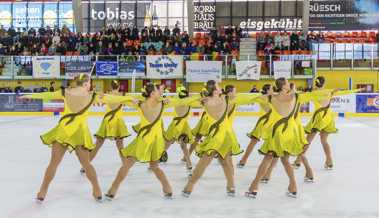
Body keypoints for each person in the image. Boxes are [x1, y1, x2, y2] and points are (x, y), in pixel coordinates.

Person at [103, 83, 200, 199]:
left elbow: (119, 100)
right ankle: (167, 189)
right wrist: (199, 97)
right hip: (156, 141)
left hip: (144, 140)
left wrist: (126, 98)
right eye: (158, 91)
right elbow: (183, 101)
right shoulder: (162, 104)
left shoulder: (143, 104)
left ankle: (112, 190)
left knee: (127, 165)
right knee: (154, 167)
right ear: (153, 93)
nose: (161, 93)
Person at [20, 73, 102, 202]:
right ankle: (97, 190)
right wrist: (130, 100)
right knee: (86, 164)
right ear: (86, 84)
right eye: (89, 83)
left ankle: (42, 191)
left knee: (53, 163)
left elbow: (46, 95)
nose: (90, 85)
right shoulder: (92, 96)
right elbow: (112, 99)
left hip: (64, 132)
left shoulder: (65, 92)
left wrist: (29, 95)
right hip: (80, 134)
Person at [245, 77, 331, 199]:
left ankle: (254, 187)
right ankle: (293, 187)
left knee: (268, 158)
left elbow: (252, 98)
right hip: (291, 133)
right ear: (284, 86)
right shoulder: (295, 96)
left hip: (278, 133)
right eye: (287, 83)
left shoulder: (272, 97)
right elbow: (314, 94)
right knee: (285, 160)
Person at [182, 80, 261, 197]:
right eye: (218, 87)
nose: (220, 88)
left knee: (205, 163)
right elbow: (247, 98)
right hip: (226, 135)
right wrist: (261, 95)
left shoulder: (206, 101)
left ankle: (189, 187)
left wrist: (199, 96)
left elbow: (188, 101)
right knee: (225, 162)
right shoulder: (225, 99)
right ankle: (231, 187)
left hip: (216, 136)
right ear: (214, 90)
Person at [293, 76, 362, 175]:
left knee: (307, 141)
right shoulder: (329, 91)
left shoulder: (314, 93)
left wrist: (293, 92)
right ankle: (329, 162)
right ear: (323, 83)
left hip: (319, 118)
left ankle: (298, 161)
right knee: (324, 141)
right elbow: (345, 92)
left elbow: (300, 98)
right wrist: (358, 89)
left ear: (315, 83)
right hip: (328, 118)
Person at [80, 80, 131, 174]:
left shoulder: (106, 95)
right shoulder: (122, 96)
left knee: (97, 145)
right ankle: (125, 166)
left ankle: (85, 166)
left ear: (111, 87)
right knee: (120, 146)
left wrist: (88, 92)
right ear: (119, 86)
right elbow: (133, 102)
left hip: (107, 122)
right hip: (118, 123)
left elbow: (92, 98)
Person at [237, 84, 278, 182]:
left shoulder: (274, 97)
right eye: (272, 89)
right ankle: (244, 160)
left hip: (273, 122)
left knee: (274, 147)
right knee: (255, 142)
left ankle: (267, 172)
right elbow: (248, 98)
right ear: (267, 90)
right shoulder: (263, 97)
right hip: (266, 122)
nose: (274, 90)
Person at [165, 85, 198, 172]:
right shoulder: (189, 102)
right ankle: (189, 163)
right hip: (184, 125)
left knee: (167, 143)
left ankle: (155, 161)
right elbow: (197, 101)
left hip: (175, 125)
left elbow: (167, 101)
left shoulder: (176, 101)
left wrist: (167, 93)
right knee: (184, 146)